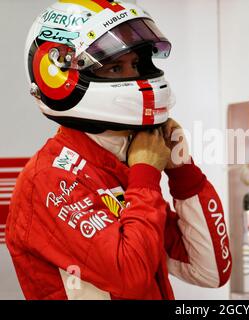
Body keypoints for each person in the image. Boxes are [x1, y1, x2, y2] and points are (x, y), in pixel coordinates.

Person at [6, 0, 232, 300]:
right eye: (115, 66)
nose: (137, 77)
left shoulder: (124, 165)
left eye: (137, 64)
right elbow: (130, 277)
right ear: (58, 76)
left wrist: (182, 171)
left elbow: (210, 271)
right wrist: (145, 176)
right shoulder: (48, 178)